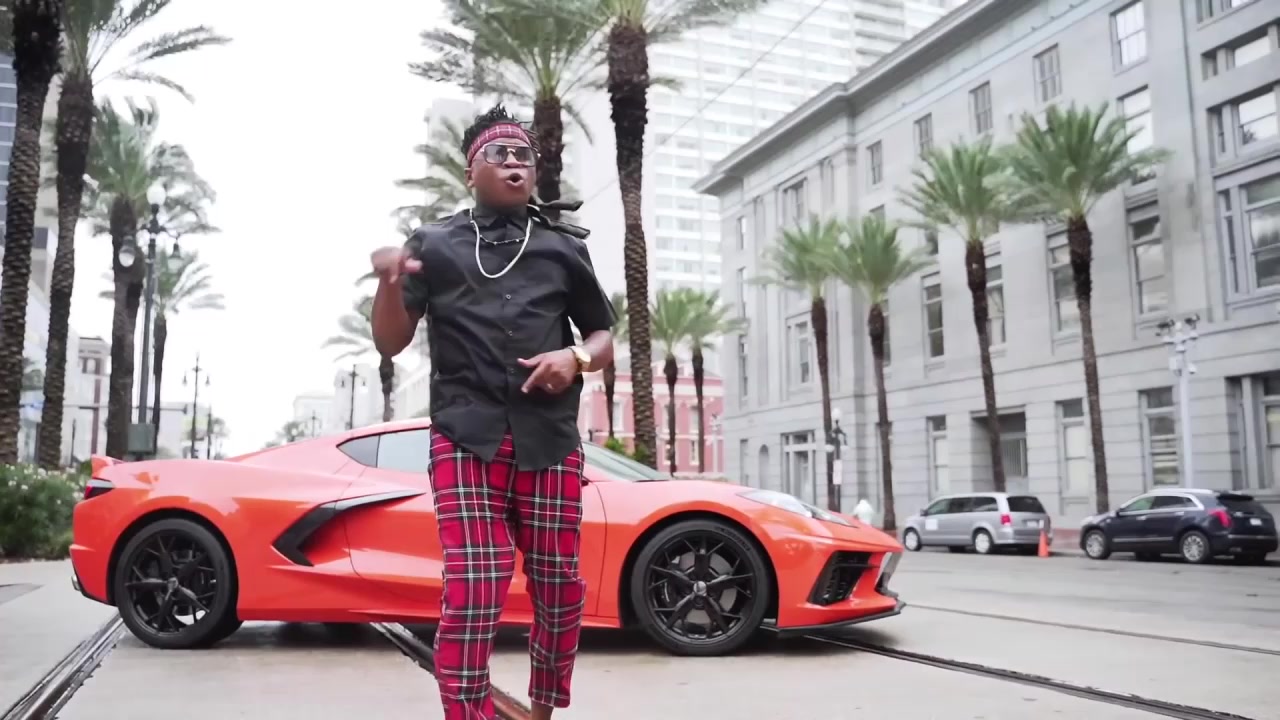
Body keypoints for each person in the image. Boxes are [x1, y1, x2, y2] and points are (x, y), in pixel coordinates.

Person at [368, 104, 615, 720]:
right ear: (470, 172)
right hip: (465, 438)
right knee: (477, 580)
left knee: (560, 586)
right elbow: (390, 343)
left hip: (549, 440)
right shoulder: (434, 245)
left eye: (524, 155)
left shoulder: (562, 248)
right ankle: (468, 712)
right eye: (498, 154)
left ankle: (541, 709)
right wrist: (390, 284)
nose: (514, 163)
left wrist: (574, 358)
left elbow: (602, 336)